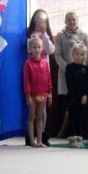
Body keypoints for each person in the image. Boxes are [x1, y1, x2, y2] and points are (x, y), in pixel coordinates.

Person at [54, 12, 88, 139]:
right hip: (66, 74)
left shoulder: (84, 35)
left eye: (74, 19)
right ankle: (67, 132)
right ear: (65, 21)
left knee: (79, 109)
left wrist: (79, 69)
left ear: (77, 20)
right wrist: (68, 69)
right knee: (69, 104)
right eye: (69, 20)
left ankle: (77, 133)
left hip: (81, 76)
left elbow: (87, 55)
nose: (71, 22)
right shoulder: (60, 36)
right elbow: (57, 55)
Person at [26, 9, 55, 142]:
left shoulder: (46, 36)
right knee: (32, 110)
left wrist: (45, 35)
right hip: (33, 74)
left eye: (43, 20)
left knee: (42, 110)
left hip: (44, 73)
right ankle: (31, 136)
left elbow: (50, 50)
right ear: (34, 20)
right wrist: (36, 38)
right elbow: (29, 48)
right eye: (38, 19)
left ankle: (41, 134)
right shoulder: (30, 35)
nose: (40, 22)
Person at [24, 36, 52, 148]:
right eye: (34, 47)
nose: (37, 49)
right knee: (32, 117)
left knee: (39, 117)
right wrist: (28, 95)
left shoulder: (45, 63)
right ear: (30, 49)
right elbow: (26, 81)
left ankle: (40, 141)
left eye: (39, 47)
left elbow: (48, 80)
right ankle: (32, 141)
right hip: (32, 95)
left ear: (42, 48)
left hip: (42, 94)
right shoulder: (28, 63)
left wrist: (49, 94)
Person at [65, 43, 88, 148]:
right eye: (77, 54)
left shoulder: (86, 69)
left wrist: (85, 95)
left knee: (79, 118)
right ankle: (72, 139)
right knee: (72, 117)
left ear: (84, 56)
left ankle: (79, 138)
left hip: (82, 97)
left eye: (81, 54)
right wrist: (71, 97)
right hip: (72, 96)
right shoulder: (69, 67)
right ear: (73, 54)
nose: (79, 56)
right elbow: (69, 84)